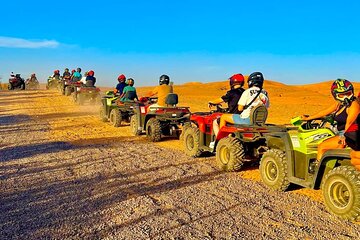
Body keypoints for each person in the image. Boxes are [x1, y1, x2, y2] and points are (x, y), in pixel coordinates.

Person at [302, 79, 360, 165]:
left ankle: (319, 169)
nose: (346, 97)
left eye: (348, 94)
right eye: (342, 95)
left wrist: (345, 137)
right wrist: (309, 118)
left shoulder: (353, 106)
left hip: (348, 134)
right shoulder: (340, 104)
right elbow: (325, 112)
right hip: (339, 132)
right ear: (335, 95)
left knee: (322, 147)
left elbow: (350, 123)